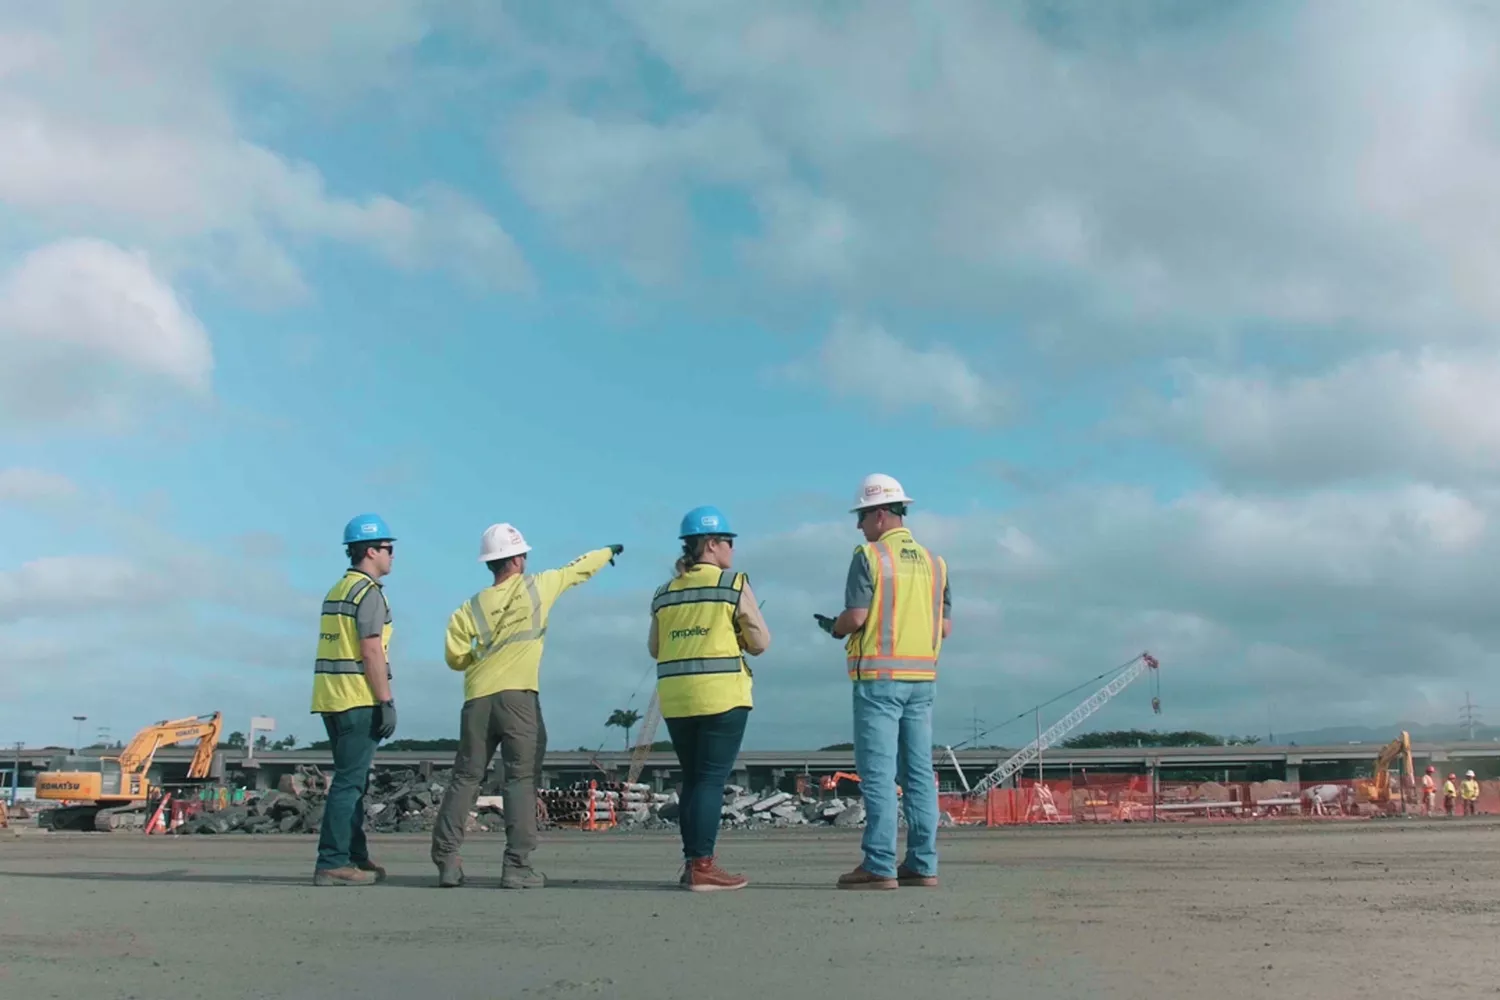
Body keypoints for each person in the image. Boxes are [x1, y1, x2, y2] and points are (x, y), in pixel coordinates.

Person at [431, 524, 623, 890]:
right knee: (519, 781)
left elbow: (454, 656)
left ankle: (447, 862)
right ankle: (516, 866)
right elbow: (576, 569)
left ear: (490, 564)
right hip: (519, 699)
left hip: (476, 701)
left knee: (465, 779)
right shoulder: (538, 587)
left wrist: (478, 654)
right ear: (518, 559)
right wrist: (608, 552)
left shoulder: (468, 608)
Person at [815, 474, 949, 890]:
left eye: (861, 517)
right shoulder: (934, 562)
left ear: (878, 514)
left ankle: (879, 865)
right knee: (919, 775)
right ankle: (923, 864)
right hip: (922, 681)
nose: (858, 527)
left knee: (877, 775)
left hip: (878, 681)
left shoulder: (869, 556)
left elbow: (856, 617)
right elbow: (944, 627)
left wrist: (836, 629)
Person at [648, 505, 771, 892]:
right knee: (711, 780)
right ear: (712, 544)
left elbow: (655, 648)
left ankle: (692, 862)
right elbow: (761, 643)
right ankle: (703, 865)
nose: (733, 550)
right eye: (729, 542)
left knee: (693, 779)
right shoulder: (732, 585)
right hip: (721, 695)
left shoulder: (664, 593)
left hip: (677, 698)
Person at [310, 513, 399, 887]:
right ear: (371, 550)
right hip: (357, 699)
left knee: (353, 782)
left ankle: (354, 856)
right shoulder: (369, 594)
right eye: (388, 549)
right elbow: (371, 650)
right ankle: (332, 861)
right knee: (349, 784)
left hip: (331, 698)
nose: (392, 556)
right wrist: (386, 701)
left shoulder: (337, 589)